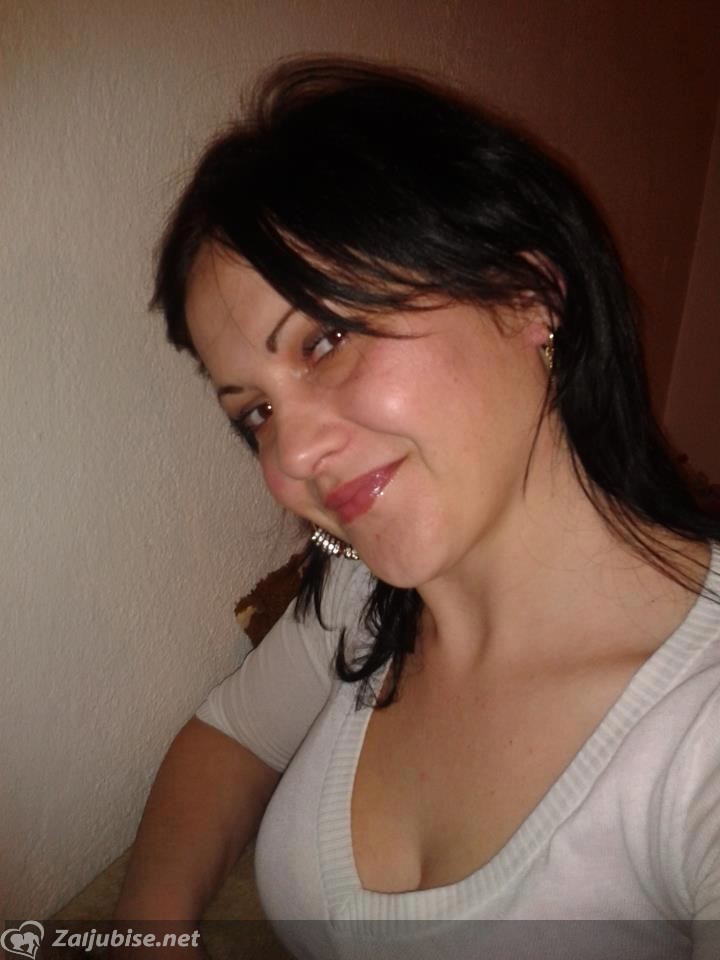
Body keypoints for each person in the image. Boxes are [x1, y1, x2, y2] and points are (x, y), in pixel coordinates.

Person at [114, 57, 720, 958]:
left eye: (325, 339)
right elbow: (230, 737)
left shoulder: (698, 729)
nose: (292, 457)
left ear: (529, 296)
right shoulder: (362, 591)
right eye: (256, 413)